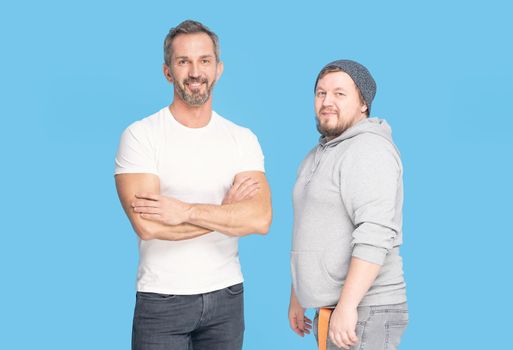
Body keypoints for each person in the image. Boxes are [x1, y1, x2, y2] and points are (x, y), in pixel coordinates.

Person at [114, 20, 272, 350]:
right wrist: (227, 214)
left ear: (218, 69)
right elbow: (147, 225)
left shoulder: (241, 139)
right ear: (167, 71)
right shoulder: (141, 136)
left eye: (204, 61)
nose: (195, 71)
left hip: (227, 298)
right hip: (162, 300)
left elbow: (259, 219)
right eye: (183, 61)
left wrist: (183, 211)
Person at [288, 60, 408, 350]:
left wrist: (348, 305)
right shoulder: (316, 156)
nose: (327, 102)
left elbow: (375, 232)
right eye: (320, 93)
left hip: (366, 308)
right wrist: (299, 296)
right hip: (334, 308)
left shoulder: (368, 149)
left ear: (363, 103)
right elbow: (310, 229)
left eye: (339, 94)